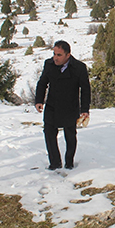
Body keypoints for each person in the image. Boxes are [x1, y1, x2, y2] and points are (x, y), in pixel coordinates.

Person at [35, 40, 91, 170]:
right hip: (52, 105)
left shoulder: (79, 67)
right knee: (49, 133)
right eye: (54, 54)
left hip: (70, 107)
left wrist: (85, 109)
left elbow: (85, 89)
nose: (55, 57)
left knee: (70, 136)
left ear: (68, 55)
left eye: (59, 55)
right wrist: (39, 100)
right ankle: (55, 162)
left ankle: (69, 162)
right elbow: (42, 82)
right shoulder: (49, 64)